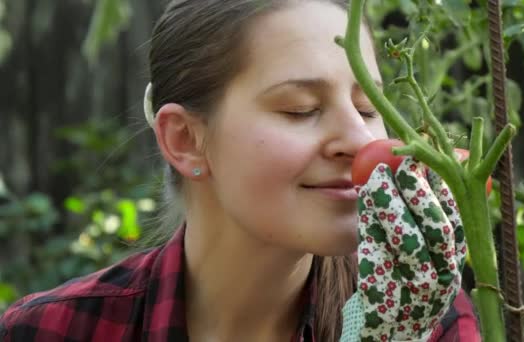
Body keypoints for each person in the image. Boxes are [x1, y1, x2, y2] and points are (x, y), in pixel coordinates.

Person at [0, 0, 480, 341]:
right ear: (185, 140)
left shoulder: (421, 320)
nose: (360, 143)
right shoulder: (51, 331)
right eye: (300, 109)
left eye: (369, 107)